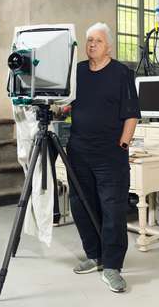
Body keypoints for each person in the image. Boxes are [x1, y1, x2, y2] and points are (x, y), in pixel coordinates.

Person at [67, 22, 141, 293]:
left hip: (110, 153)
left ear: (108, 45)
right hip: (79, 150)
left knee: (112, 209)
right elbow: (67, 104)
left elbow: (131, 113)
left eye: (97, 41)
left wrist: (123, 143)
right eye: (88, 40)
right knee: (81, 204)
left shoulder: (121, 73)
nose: (91, 45)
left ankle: (112, 266)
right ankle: (94, 254)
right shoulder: (77, 72)